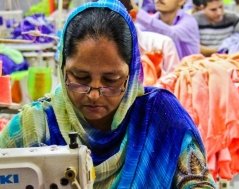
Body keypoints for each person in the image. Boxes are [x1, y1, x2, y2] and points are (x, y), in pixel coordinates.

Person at [0, 0, 216, 188]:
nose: (94, 94)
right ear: (63, 68)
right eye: (80, 78)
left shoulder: (161, 119)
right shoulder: (33, 127)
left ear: (131, 74)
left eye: (111, 80)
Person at [134, 0, 200, 59]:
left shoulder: (189, 22)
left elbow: (171, 34)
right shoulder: (150, 22)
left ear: (181, 1)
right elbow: (137, 32)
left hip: (187, 71)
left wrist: (136, 11)